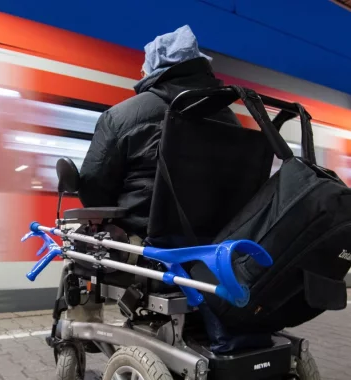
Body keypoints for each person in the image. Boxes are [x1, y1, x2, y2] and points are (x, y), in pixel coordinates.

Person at [78, 25, 241, 237]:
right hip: (215, 245)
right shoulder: (230, 118)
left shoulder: (122, 116)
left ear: (154, 69)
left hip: (146, 248)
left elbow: (93, 189)